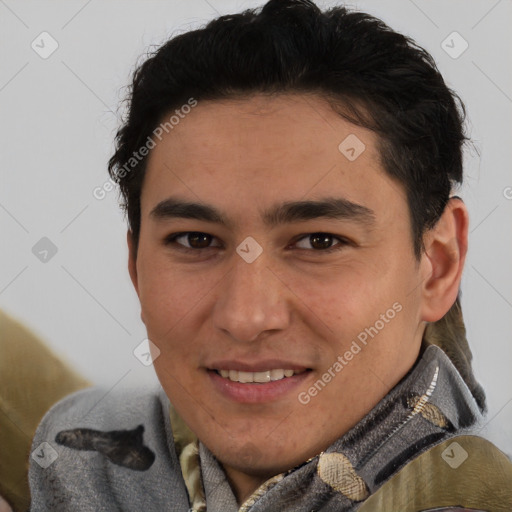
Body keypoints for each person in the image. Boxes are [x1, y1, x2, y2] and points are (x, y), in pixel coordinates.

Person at [27, 0, 512, 510]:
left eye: (319, 242)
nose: (246, 317)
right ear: (135, 265)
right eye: (195, 240)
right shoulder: (79, 450)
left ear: (437, 265)